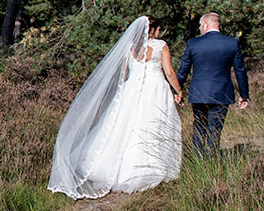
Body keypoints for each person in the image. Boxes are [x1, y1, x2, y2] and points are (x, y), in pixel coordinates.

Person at [48, 16, 184, 199]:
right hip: (155, 90)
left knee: (123, 128)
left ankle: (112, 169)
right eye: (158, 29)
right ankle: (147, 169)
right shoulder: (161, 46)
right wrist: (179, 90)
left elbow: (124, 73)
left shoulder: (129, 48)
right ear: (155, 30)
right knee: (151, 125)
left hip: (132, 89)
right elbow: (169, 71)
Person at [175, 12, 249, 156]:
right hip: (221, 93)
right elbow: (240, 71)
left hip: (199, 93)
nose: (200, 29)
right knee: (215, 129)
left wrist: (177, 90)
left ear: (206, 25)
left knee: (199, 128)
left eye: (200, 26)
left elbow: (183, 70)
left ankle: (197, 160)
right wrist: (244, 94)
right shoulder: (231, 43)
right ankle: (211, 160)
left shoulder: (193, 43)